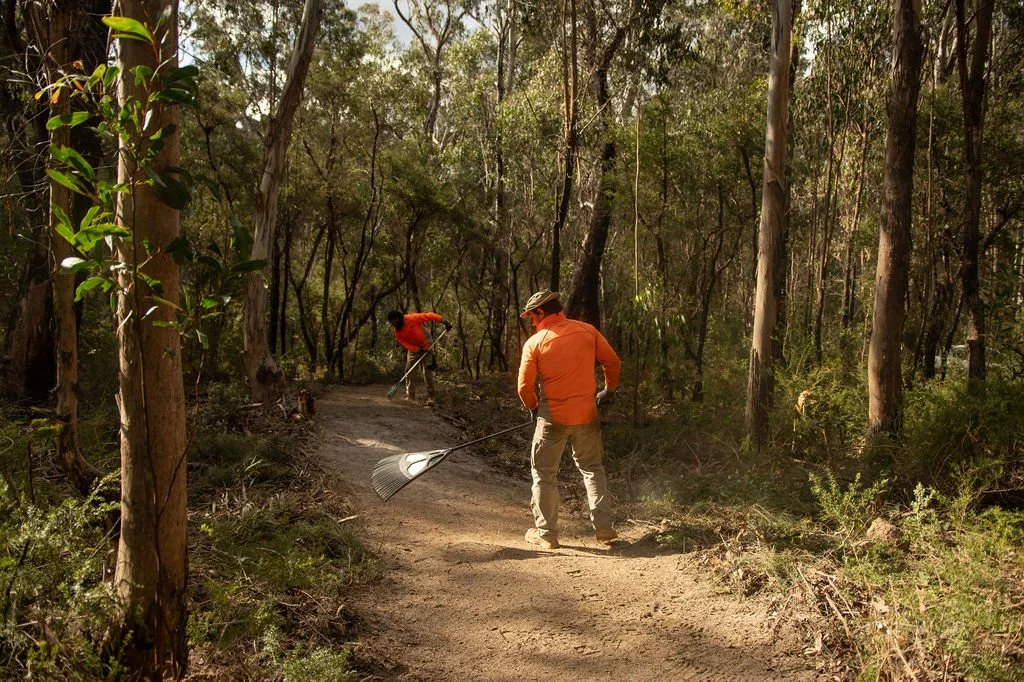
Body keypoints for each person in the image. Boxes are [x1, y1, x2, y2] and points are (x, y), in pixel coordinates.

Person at [516, 290, 621, 550]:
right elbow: (612, 361)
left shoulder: (535, 343)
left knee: (544, 474)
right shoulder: (587, 331)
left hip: (552, 417)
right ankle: (604, 527)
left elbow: (524, 388)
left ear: (541, 312)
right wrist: (608, 390)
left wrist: (533, 407)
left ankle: (547, 534)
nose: (532, 323)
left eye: (533, 317)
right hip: (587, 414)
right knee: (592, 468)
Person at [387, 309, 452, 407]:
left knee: (427, 372)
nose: (393, 324)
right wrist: (417, 349)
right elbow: (405, 343)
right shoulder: (397, 331)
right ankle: (410, 396)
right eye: (392, 322)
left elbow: (429, 315)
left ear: (398, 318)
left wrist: (442, 321)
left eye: (394, 321)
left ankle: (431, 396)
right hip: (413, 349)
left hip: (426, 345)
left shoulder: (412, 318)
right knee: (409, 370)